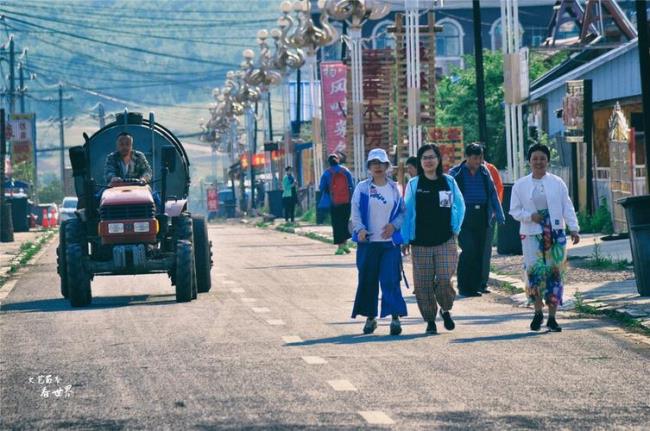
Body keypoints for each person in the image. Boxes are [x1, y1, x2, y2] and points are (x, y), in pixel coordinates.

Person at [510, 143, 580, 332]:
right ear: (529, 161)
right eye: (535, 159)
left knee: (555, 273)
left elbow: (567, 206)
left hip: (555, 233)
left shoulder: (557, 183)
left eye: (542, 158)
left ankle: (552, 317)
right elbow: (514, 210)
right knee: (534, 272)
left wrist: (574, 228)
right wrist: (529, 216)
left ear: (548, 161)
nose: (539, 162)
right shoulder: (520, 185)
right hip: (531, 233)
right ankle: (537, 311)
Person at [402, 144, 465, 334]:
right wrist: (405, 238)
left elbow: (460, 206)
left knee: (445, 279)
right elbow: (406, 212)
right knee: (423, 285)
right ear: (420, 162)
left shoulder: (449, 182)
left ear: (438, 160)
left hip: (445, 239)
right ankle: (430, 320)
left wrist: (456, 228)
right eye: (424, 158)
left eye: (432, 157)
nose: (428, 161)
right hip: (420, 242)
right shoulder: (414, 184)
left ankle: (445, 309)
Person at [350, 148, 407, 336]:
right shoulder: (362, 188)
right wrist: (360, 229)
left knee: (390, 279)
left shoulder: (394, 188)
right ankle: (370, 318)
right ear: (369, 167)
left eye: (381, 163)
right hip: (368, 243)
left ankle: (395, 318)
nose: (377, 167)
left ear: (387, 166)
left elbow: (402, 212)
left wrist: (394, 225)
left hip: (389, 244)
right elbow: (355, 212)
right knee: (368, 280)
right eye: (373, 163)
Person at [449, 143, 505, 297]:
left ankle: (474, 287)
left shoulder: (485, 172)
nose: (478, 161)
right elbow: (448, 195)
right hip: (463, 217)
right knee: (469, 249)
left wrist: (499, 215)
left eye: (480, 157)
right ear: (467, 157)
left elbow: (493, 193)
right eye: (475, 158)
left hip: (481, 216)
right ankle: (463, 285)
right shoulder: (456, 173)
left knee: (479, 252)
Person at [319, 154, 354, 255]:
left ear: (329, 162)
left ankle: (340, 247)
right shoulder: (346, 171)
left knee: (337, 224)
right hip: (346, 201)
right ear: (338, 160)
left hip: (334, 202)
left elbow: (321, 187)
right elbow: (352, 185)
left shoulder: (326, 173)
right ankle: (346, 245)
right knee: (345, 222)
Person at [480, 151, 504, 294]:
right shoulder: (463, 170)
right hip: (470, 216)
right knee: (471, 249)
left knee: (486, 249)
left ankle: (483, 282)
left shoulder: (491, 169)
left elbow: (499, 190)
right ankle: (471, 281)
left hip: (489, 215)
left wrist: (495, 211)